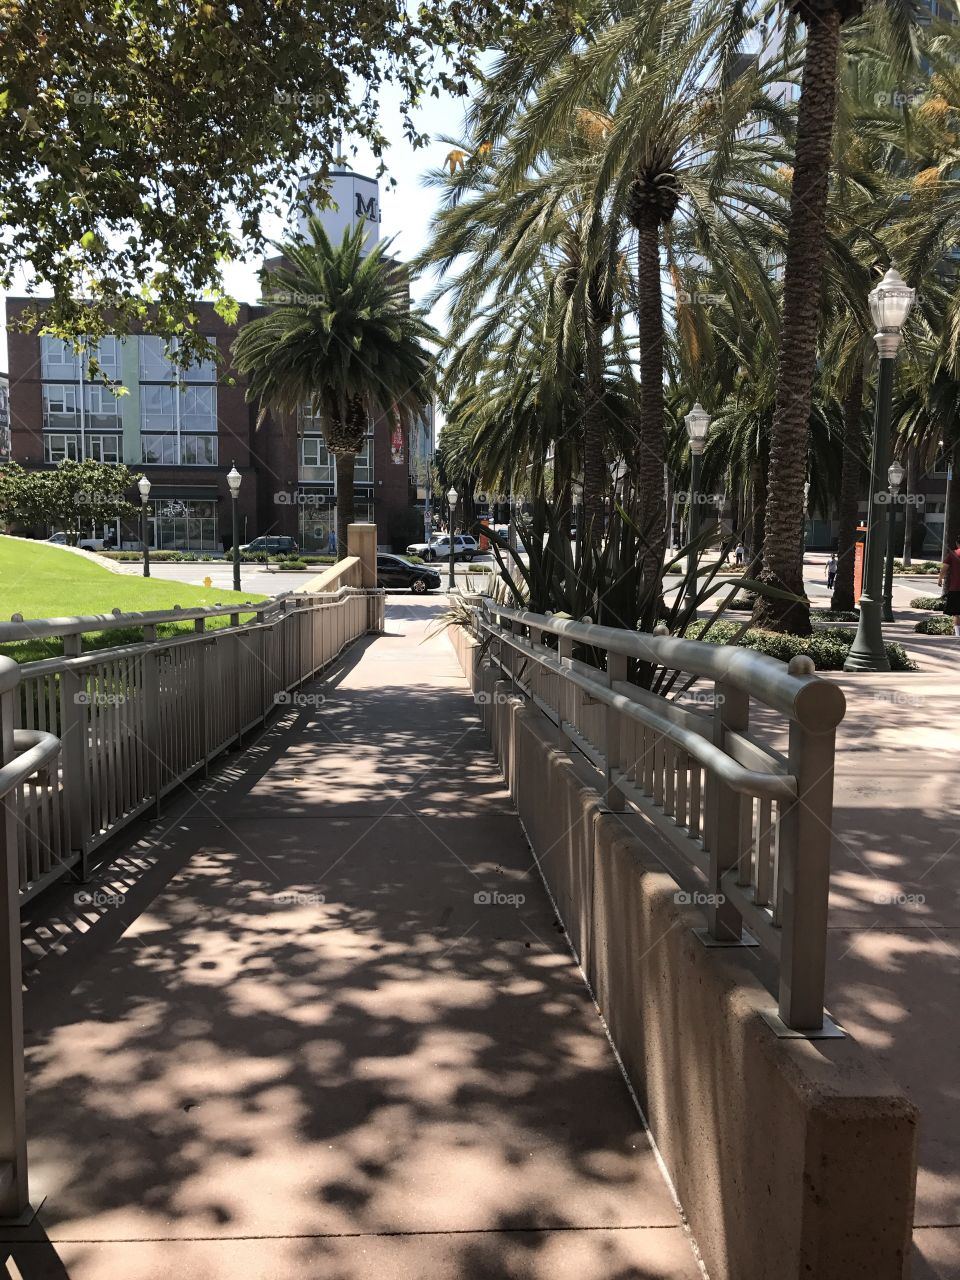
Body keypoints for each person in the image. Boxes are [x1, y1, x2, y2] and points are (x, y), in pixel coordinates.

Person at [938, 535, 960, 639]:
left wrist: (940, 578)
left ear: (957, 543)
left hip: (955, 588)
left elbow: (944, 567)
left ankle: (957, 634)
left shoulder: (952, 554)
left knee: (956, 613)